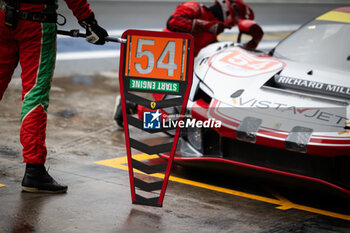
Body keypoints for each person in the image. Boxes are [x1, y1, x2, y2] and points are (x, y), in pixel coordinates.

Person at [0, 0, 108, 193]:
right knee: (35, 94)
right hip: (36, 24)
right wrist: (89, 22)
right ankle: (34, 171)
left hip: (2, 17)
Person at [114, 0, 263, 128]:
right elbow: (173, 22)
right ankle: (130, 105)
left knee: (178, 121)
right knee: (167, 120)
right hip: (162, 63)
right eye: (236, 20)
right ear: (230, 9)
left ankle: (134, 106)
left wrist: (252, 43)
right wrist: (208, 26)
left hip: (178, 70)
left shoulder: (212, 34)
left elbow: (218, 55)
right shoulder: (194, 7)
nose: (232, 26)